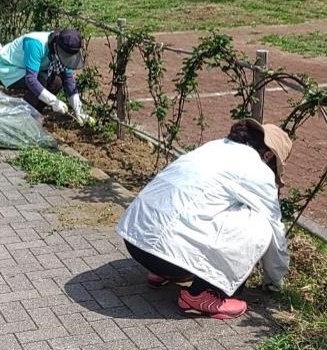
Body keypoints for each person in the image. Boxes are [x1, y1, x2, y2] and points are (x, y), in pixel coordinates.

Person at [116, 119, 294, 320]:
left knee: (203, 207)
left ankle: (165, 274)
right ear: (268, 155)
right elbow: (275, 229)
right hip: (164, 253)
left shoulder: (215, 146)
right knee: (260, 224)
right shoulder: (257, 170)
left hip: (135, 240)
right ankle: (203, 294)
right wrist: (274, 281)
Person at [0, 27, 89, 124]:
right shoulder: (35, 44)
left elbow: (68, 79)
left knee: (56, 82)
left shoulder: (62, 50)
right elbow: (31, 79)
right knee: (40, 81)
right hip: (7, 68)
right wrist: (53, 101)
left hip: (25, 69)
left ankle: (34, 114)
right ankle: (19, 117)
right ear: (56, 47)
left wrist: (78, 109)